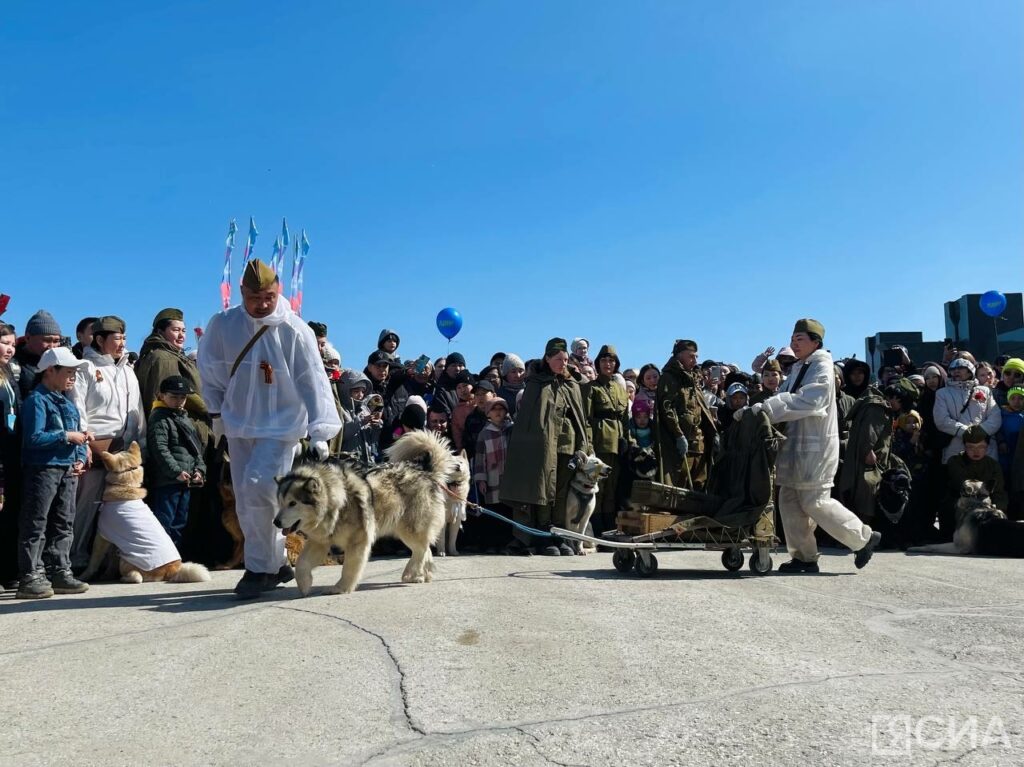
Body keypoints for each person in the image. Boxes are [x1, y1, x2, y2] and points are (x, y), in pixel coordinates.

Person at [198, 259, 341, 599]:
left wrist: (321, 430)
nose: (262, 305)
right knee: (247, 499)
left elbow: (313, 381)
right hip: (238, 425)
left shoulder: (294, 330)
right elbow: (210, 371)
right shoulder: (223, 325)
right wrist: (216, 414)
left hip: (281, 426)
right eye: (254, 298)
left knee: (261, 486)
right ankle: (273, 563)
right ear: (242, 293)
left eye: (269, 296)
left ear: (278, 291)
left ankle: (261, 568)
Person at [749, 319, 881, 573]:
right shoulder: (799, 367)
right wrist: (757, 408)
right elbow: (781, 396)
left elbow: (812, 399)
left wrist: (769, 409)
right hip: (793, 449)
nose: (794, 344)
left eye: (799, 339)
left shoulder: (822, 364)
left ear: (815, 341)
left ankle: (863, 538)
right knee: (789, 502)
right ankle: (804, 557)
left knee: (815, 501)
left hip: (815, 447)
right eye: (792, 339)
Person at [69, 315, 147, 571]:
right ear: (100, 339)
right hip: (95, 449)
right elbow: (77, 408)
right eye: (116, 338)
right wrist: (83, 446)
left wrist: (140, 444)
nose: (122, 342)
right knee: (85, 508)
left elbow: (137, 411)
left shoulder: (127, 370)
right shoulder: (85, 368)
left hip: (124, 451)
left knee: (119, 509)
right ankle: (75, 558)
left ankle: (111, 564)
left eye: (124, 337)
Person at [500, 338, 590, 556]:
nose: (563, 363)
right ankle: (542, 534)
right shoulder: (536, 383)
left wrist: (582, 446)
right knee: (542, 489)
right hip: (541, 447)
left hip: (566, 445)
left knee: (561, 490)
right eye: (558, 359)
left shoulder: (572, 383)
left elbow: (580, 417)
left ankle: (558, 534)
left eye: (566, 359)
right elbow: (531, 420)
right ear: (547, 358)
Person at [17, 347, 92, 599]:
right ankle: (31, 574)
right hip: (43, 468)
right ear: (50, 371)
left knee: (64, 521)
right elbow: (33, 438)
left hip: (67, 468)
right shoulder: (36, 401)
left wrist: (80, 455)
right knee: (36, 521)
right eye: (68, 372)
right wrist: (66, 436)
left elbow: (78, 434)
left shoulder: (66, 402)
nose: (72, 377)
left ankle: (60, 570)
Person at [134, 308, 211, 446]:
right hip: (180, 435)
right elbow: (167, 397)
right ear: (160, 332)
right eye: (176, 330)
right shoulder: (164, 358)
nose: (181, 335)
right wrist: (209, 409)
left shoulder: (162, 354)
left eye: (184, 331)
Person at [146, 375, 206, 550]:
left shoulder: (183, 417)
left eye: (183, 397)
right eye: (174, 396)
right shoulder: (159, 418)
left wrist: (199, 470)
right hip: (168, 481)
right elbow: (160, 449)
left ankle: (173, 559)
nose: (179, 401)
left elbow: (196, 448)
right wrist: (176, 471)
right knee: (164, 522)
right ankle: (162, 559)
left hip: (185, 480)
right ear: (161, 395)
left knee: (179, 523)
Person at [655, 339, 717, 489]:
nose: (695, 360)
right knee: (680, 481)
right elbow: (666, 409)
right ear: (679, 356)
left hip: (699, 439)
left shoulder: (694, 378)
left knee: (700, 481)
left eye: (696, 356)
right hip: (679, 440)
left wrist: (713, 432)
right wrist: (678, 435)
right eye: (691, 356)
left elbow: (702, 407)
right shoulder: (669, 377)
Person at [583, 345, 630, 535]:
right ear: (597, 364)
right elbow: (586, 418)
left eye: (611, 361)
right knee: (598, 487)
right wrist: (589, 444)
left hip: (617, 443)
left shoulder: (620, 389)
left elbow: (625, 418)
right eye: (603, 360)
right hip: (599, 442)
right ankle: (596, 527)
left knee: (612, 487)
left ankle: (610, 526)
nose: (607, 364)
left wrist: (627, 440)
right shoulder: (591, 388)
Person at [933, 358, 1001, 467]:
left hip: (986, 448)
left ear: (970, 371)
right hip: (957, 449)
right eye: (953, 369)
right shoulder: (942, 393)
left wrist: (982, 430)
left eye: (961, 368)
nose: (956, 371)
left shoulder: (985, 391)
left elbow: (995, 416)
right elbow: (941, 420)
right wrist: (965, 432)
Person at [942, 426, 1008, 529]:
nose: (976, 451)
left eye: (981, 447)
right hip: (960, 510)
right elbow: (963, 485)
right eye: (971, 447)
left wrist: (998, 509)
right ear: (964, 446)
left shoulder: (993, 465)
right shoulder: (955, 462)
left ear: (987, 446)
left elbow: (999, 493)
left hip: (987, 510)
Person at [473, 397, 514, 551]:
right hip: (492, 478)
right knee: (494, 511)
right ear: (488, 413)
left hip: (509, 478)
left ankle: (507, 543)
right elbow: (479, 458)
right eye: (494, 409)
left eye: (501, 409)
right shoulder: (484, 433)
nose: (498, 412)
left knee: (507, 510)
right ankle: (493, 543)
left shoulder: (511, 429)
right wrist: (481, 479)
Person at [0, 323, 22, 586]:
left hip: (11, 451)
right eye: (5, 343)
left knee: (8, 515)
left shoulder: (8, 374)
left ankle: (7, 570)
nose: (10, 349)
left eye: (13, 345)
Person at [14, 310, 63, 398]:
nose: (52, 346)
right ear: (28, 338)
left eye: (56, 341)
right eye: (47, 340)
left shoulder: (59, 363)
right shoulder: (12, 364)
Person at [337, 370, 382, 464]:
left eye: (363, 391)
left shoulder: (365, 410)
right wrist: (360, 421)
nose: (360, 395)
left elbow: (373, 440)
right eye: (356, 391)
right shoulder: (339, 409)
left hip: (366, 462)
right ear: (345, 390)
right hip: (347, 465)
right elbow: (340, 436)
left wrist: (377, 426)